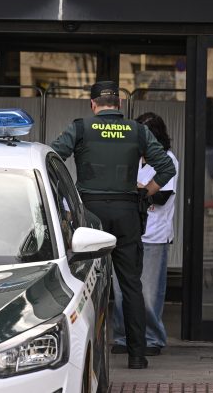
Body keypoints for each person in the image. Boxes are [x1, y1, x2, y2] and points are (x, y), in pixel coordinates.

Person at [50, 81, 175, 370]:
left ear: (93, 104)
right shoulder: (138, 130)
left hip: (90, 216)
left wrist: (67, 198)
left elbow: (53, 161)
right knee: (131, 284)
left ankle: (84, 354)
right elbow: (166, 168)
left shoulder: (80, 128)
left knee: (84, 284)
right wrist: (145, 193)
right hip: (127, 213)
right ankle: (137, 355)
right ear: (119, 104)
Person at [111, 112, 179, 357]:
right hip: (126, 232)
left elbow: (161, 196)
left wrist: (136, 189)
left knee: (149, 294)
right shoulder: (130, 157)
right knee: (121, 291)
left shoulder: (167, 159)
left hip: (154, 235)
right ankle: (123, 337)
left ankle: (152, 339)